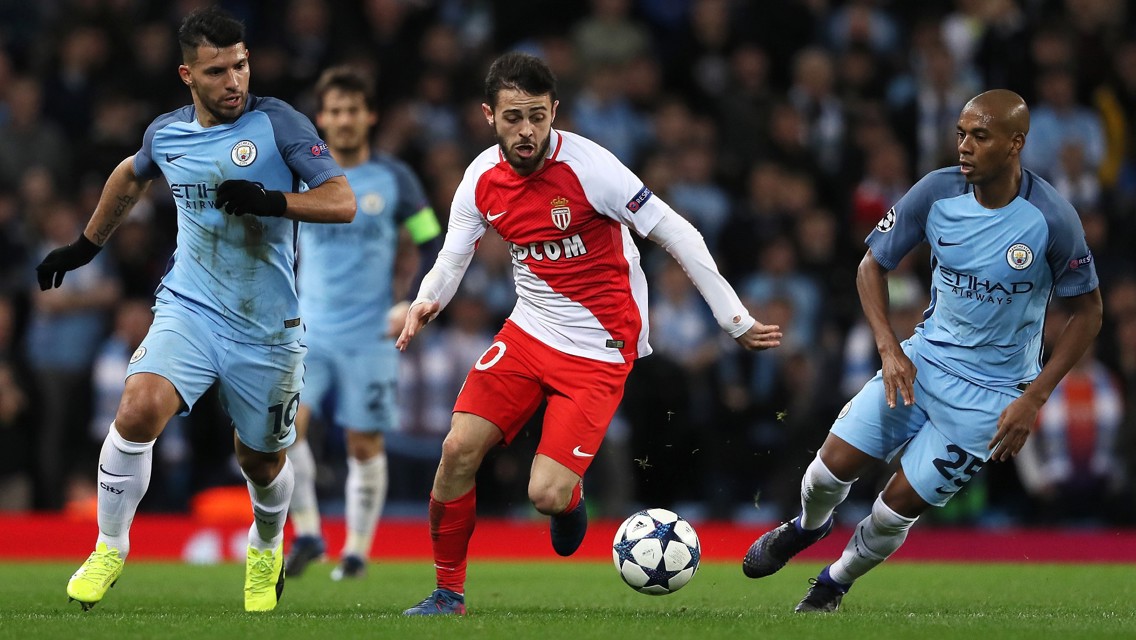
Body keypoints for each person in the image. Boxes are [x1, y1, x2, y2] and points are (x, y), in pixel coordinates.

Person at [396, 52, 782, 616]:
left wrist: (734, 319)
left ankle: (570, 496)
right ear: (488, 115)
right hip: (529, 330)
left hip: (600, 348)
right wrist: (427, 299)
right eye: (512, 118)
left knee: (544, 495)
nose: (525, 131)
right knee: (456, 450)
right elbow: (453, 256)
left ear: (555, 111)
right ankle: (448, 593)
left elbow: (676, 232)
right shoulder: (479, 178)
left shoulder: (592, 168)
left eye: (536, 116)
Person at [36, 7, 355, 612]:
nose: (233, 81)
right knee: (136, 409)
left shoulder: (277, 122)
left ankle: (265, 548)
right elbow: (130, 177)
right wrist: (85, 246)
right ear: (188, 75)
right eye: (217, 71)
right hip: (191, 305)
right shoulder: (168, 133)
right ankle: (109, 545)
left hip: (266, 325)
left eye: (240, 65)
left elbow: (342, 202)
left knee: (260, 460)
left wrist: (272, 199)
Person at [741, 89, 1102, 613]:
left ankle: (832, 584)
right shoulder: (936, 193)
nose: (965, 146)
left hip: (993, 395)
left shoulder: (1052, 218)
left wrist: (1036, 398)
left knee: (894, 510)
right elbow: (871, 266)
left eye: (980, 136)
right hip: (922, 363)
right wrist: (889, 348)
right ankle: (806, 527)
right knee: (826, 472)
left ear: (1016, 143)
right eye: (961, 133)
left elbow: (1088, 313)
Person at [284, 66, 441, 581]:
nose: (345, 119)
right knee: (287, 433)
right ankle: (308, 533)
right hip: (308, 330)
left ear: (369, 116)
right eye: (336, 110)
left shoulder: (394, 179)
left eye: (355, 109)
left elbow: (432, 239)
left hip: (372, 333)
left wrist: (414, 298)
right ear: (322, 118)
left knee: (362, 444)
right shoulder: (302, 173)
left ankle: (355, 552)